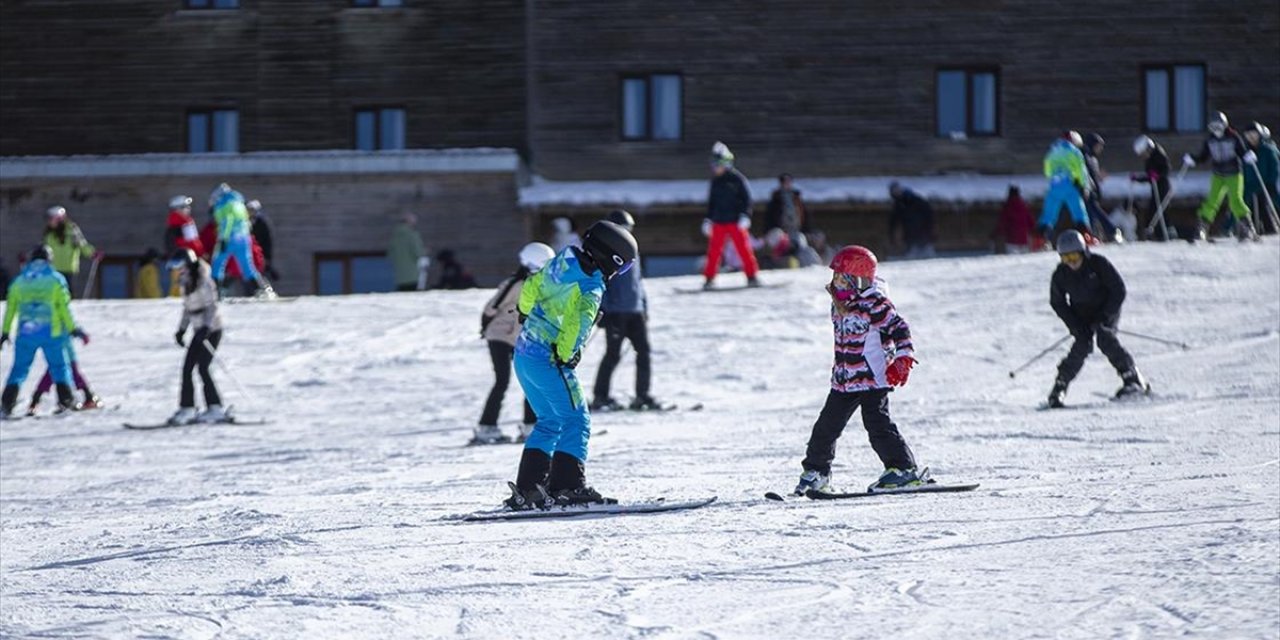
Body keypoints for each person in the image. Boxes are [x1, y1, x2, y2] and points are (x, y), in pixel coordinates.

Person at [504, 220, 638, 511]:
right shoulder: (591, 285)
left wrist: (525, 311)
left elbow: (531, 285)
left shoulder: (561, 261)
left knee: (549, 421)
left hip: (524, 355)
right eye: (623, 267)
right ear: (612, 259)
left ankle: (529, 490)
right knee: (577, 420)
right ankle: (568, 487)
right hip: (549, 359)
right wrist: (567, 354)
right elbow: (578, 324)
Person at [791, 245, 928, 496]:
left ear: (859, 281)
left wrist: (903, 358)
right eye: (835, 278)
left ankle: (903, 469)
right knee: (825, 428)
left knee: (878, 426)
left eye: (843, 279)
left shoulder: (875, 304)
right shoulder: (839, 305)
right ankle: (816, 472)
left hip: (872, 379)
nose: (837, 284)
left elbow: (900, 329)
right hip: (844, 381)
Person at [1046, 230, 1149, 408]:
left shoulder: (1098, 264)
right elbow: (1058, 302)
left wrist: (1105, 315)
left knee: (1104, 336)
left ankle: (1131, 378)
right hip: (1081, 315)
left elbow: (1118, 290)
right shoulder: (1061, 274)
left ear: (1083, 252)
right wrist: (1074, 325)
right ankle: (1060, 387)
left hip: (1105, 310)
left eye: (1074, 256)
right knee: (1082, 343)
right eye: (1066, 258)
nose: (1071, 262)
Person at [475, 242, 555, 445]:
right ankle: (486, 427)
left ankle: (530, 426)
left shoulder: (539, 285)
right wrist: (486, 327)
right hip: (501, 336)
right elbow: (491, 307)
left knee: (531, 380)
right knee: (502, 381)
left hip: (520, 339)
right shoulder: (515, 284)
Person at [590, 210, 664, 412]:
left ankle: (642, 396)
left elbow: (638, 282)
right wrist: (603, 310)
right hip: (616, 312)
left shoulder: (633, 251)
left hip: (635, 311)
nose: (627, 233)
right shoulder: (607, 253)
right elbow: (601, 284)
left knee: (644, 353)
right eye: (623, 229)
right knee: (612, 355)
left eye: (629, 229)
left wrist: (644, 307)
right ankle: (600, 397)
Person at [0, 245, 85, 418]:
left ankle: (7, 403)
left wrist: (5, 332)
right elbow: (63, 307)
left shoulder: (20, 281)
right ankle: (66, 400)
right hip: (51, 332)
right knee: (59, 366)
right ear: (49, 259)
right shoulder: (56, 279)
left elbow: (11, 309)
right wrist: (72, 328)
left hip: (26, 333)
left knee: (19, 368)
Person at [168, 249, 228, 425]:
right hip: (199, 330)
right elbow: (188, 310)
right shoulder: (185, 283)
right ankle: (187, 408)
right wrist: (181, 330)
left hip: (212, 330)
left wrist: (207, 328)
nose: (178, 270)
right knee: (187, 368)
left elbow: (212, 306)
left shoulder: (204, 280)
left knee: (203, 367)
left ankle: (215, 408)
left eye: (180, 266)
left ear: (189, 264)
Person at [1184, 111, 1258, 241]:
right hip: (1218, 174)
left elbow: (1241, 151)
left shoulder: (1233, 137)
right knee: (1211, 201)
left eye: (1218, 126)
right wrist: (1193, 159)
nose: (1216, 130)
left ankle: (1247, 227)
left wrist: (1247, 156)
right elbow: (1204, 156)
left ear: (1224, 125)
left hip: (1234, 174)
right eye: (1213, 127)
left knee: (1235, 200)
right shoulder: (1210, 140)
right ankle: (1202, 228)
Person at [702, 141, 761, 289]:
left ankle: (752, 276)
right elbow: (711, 203)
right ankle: (709, 279)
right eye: (713, 166)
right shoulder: (715, 182)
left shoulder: (737, 179)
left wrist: (745, 215)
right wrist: (708, 219)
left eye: (717, 165)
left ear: (725, 164)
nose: (714, 169)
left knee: (744, 250)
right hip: (718, 221)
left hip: (735, 221)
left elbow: (747, 200)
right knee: (714, 252)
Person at [209, 183, 275, 297]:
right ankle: (260, 289)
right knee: (247, 265)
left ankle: (215, 291)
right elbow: (246, 222)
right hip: (244, 237)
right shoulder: (239, 203)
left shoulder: (222, 204)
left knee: (218, 263)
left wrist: (223, 238)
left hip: (230, 237)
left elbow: (227, 220)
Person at [1035, 131, 1092, 248]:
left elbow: (1047, 171)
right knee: (1079, 212)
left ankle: (1040, 240)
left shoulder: (1052, 151)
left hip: (1055, 185)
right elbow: (1081, 170)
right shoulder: (1074, 151)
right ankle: (1086, 237)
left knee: (1049, 214)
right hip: (1070, 185)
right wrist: (1083, 185)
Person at [27, 334, 100, 414]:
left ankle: (35, 402)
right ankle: (86, 398)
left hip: (62, 352)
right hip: (60, 353)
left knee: (53, 376)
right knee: (54, 376)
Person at [42, 205, 99, 298]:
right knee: (54, 293)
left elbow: (82, 244)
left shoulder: (71, 231)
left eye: (51, 219)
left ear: (59, 219)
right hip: (53, 269)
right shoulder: (49, 234)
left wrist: (92, 253)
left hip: (68, 268)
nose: (49, 222)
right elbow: (44, 248)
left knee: (67, 293)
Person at [1129, 135, 1172, 241]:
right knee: (1153, 210)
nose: (1143, 156)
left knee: (1161, 211)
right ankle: (1155, 234)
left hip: (1163, 187)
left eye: (1143, 153)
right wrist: (1138, 178)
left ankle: (1167, 234)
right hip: (1155, 187)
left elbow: (1166, 170)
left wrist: (1158, 175)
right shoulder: (1149, 159)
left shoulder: (1159, 154)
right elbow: (1149, 177)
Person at [1081, 133, 1120, 242]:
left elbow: (1093, 176)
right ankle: (1112, 231)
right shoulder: (1085, 157)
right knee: (1094, 213)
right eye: (1098, 146)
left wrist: (1098, 177)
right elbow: (1086, 175)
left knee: (1092, 215)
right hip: (1087, 191)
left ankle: (1094, 236)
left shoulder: (1092, 158)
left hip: (1093, 191)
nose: (1100, 149)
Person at [164, 195, 205, 296]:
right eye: (185, 207)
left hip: (176, 259)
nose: (189, 209)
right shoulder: (186, 223)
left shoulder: (171, 222)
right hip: (189, 259)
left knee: (177, 285)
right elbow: (193, 242)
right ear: (178, 209)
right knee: (195, 281)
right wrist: (201, 253)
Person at [1242, 122, 1279, 235]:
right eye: (1248, 135)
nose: (1251, 138)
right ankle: (1252, 231)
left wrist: (1271, 182)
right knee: (1248, 208)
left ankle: (1271, 230)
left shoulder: (1268, 149)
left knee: (1266, 205)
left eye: (1254, 135)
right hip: (1251, 186)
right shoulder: (1246, 152)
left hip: (1266, 185)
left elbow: (1275, 167)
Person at [888, 181, 936, 258]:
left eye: (897, 190)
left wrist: (929, 229)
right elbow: (894, 222)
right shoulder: (898, 204)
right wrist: (893, 236)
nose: (896, 193)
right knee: (912, 255)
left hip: (923, 232)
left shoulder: (915, 200)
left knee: (927, 254)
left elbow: (929, 214)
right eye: (894, 191)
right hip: (909, 235)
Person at [388, 213, 426, 292]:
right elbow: (417, 252)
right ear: (409, 221)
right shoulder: (412, 234)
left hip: (400, 276)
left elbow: (390, 254)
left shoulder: (395, 236)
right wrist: (424, 252)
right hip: (412, 274)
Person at [992, 185, 1034, 254]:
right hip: (1024, 240)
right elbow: (1031, 222)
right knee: (1025, 259)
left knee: (1012, 259)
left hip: (1012, 240)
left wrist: (995, 233)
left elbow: (1002, 223)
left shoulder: (1007, 207)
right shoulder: (1024, 206)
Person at [247, 199, 281, 281]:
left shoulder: (263, 223)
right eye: (249, 210)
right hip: (249, 253)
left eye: (252, 210)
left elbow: (267, 241)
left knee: (262, 275)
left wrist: (267, 257)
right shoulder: (245, 222)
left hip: (260, 253)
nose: (250, 212)